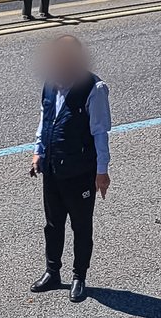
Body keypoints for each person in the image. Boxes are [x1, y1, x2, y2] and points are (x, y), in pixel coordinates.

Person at [28, 35, 112, 302]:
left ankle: (79, 276)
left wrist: (102, 171)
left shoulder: (94, 88)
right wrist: (38, 152)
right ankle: (52, 272)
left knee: (81, 225)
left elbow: (101, 132)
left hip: (80, 172)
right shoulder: (51, 84)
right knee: (53, 225)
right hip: (53, 167)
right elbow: (45, 118)